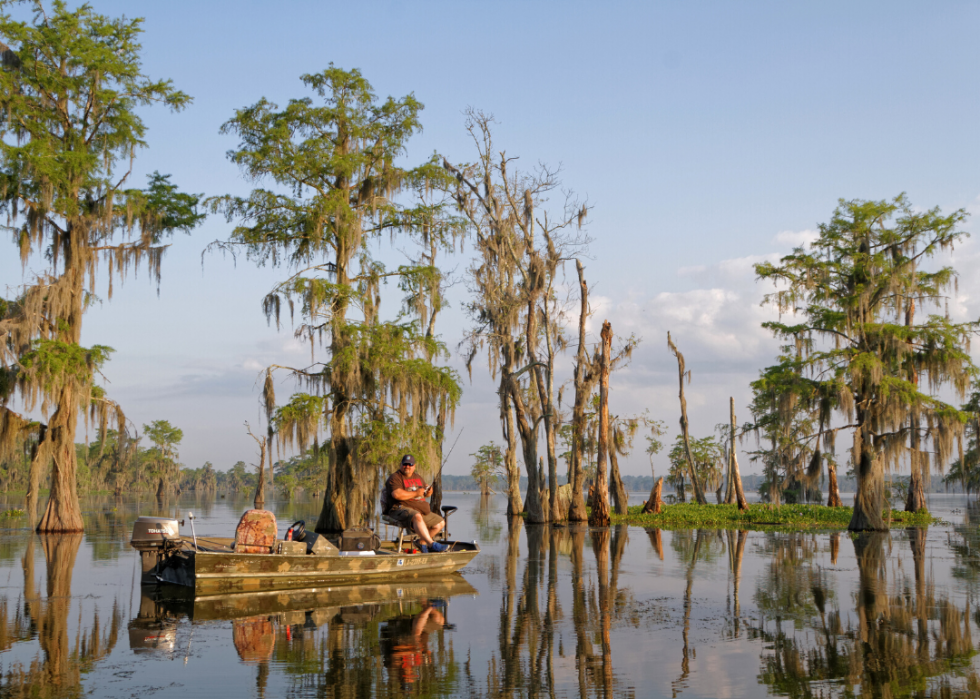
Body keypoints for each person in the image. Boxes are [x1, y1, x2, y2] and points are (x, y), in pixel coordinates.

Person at [383, 455, 447, 553]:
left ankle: (421, 542)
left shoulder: (417, 477)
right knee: (417, 516)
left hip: (418, 508)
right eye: (405, 464)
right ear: (401, 465)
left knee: (440, 523)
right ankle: (431, 544)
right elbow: (396, 494)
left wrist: (428, 491)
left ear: (414, 466)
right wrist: (416, 493)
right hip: (399, 508)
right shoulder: (395, 477)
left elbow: (423, 493)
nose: (407, 466)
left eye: (410, 464)